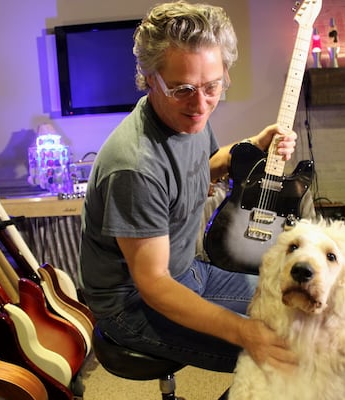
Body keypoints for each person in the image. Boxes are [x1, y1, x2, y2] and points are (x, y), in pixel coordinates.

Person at [79, 0, 298, 373]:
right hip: (134, 305)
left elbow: (199, 171)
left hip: (187, 271)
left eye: (212, 87)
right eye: (182, 89)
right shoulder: (134, 166)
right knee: (286, 357)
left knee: (295, 313)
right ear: (150, 78)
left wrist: (253, 146)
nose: (200, 105)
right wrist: (245, 333)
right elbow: (154, 284)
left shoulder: (187, 118)